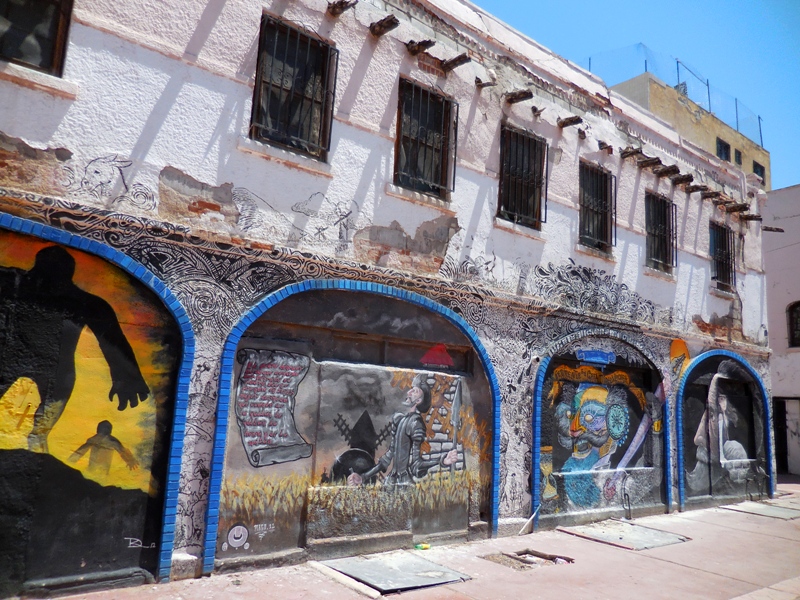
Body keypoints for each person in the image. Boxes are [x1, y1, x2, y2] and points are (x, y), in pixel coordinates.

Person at [0, 245, 150, 452]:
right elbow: (114, 340)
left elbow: (114, 341)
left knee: (40, 432)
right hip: (16, 357)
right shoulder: (15, 282)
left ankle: (37, 446)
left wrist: (127, 376)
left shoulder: (85, 303)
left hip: (54, 367)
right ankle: (37, 444)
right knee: (40, 430)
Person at [347, 376, 457, 487]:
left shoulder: (415, 423)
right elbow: (387, 459)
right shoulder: (399, 419)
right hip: (390, 482)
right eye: (411, 389)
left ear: (419, 400)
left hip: (405, 484)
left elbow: (416, 464)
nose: (409, 392)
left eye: (415, 391)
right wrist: (363, 477)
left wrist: (442, 461)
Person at [69, 420, 139, 475]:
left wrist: (71, 460)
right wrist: (130, 460)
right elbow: (122, 450)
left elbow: (80, 452)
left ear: (98, 429)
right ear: (110, 430)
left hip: (98, 470)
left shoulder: (96, 440)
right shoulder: (112, 441)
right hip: (98, 470)